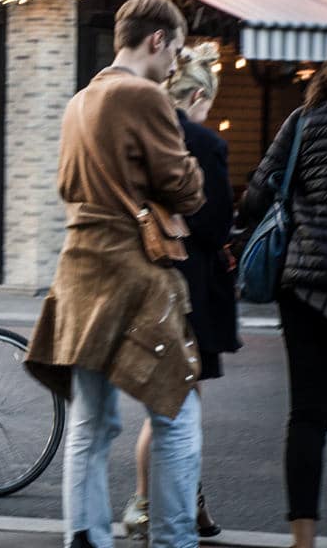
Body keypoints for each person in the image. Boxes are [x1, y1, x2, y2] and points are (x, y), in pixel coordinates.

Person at [24, 0, 206, 548]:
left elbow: (64, 186)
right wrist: (187, 138)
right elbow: (186, 189)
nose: (176, 62)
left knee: (92, 423)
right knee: (177, 415)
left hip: (78, 276)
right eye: (174, 48)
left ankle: (85, 538)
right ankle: (176, 540)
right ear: (157, 40)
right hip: (135, 278)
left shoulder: (79, 100)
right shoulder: (144, 97)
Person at [122, 42, 241, 540]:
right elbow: (213, 224)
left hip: (152, 277)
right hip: (193, 287)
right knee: (179, 401)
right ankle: (149, 504)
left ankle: (186, 502)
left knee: (170, 399)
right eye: (208, 103)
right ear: (196, 95)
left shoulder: (147, 134)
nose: (209, 113)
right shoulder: (202, 142)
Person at [237, 45, 327, 548]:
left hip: (304, 287)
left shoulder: (302, 121)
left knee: (308, 416)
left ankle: (303, 539)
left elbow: (257, 195)